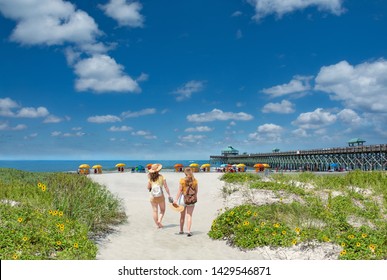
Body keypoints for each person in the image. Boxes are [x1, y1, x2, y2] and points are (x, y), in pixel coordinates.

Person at [174, 167, 198, 237]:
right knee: (189, 215)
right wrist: (195, 197)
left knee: (182, 216)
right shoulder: (195, 181)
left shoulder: (182, 180)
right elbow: (196, 191)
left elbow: (180, 190)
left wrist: (176, 199)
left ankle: (181, 230)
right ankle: (188, 231)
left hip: (183, 199)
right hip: (191, 199)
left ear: (185, 173)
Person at [147, 164, 172, 229]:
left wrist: (150, 186)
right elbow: (166, 187)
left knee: (155, 211)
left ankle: (157, 225)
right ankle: (159, 221)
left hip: (152, 196)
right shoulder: (161, 177)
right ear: (158, 170)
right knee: (162, 210)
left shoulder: (150, 178)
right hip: (161, 196)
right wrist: (169, 194)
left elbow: (148, 187)